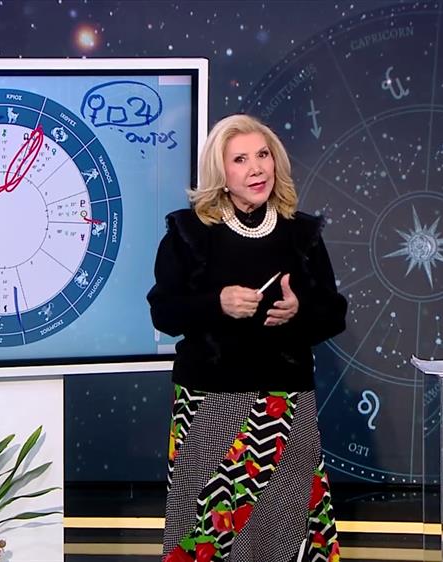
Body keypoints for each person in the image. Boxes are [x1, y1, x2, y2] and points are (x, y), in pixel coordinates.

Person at [148, 114, 347, 562]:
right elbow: (164, 312)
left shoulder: (301, 234)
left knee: (283, 533)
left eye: (263, 155)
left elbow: (334, 314)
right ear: (220, 172)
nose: (256, 168)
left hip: (284, 404)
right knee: (208, 534)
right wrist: (216, 303)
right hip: (210, 403)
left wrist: (298, 312)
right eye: (240, 159)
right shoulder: (189, 234)